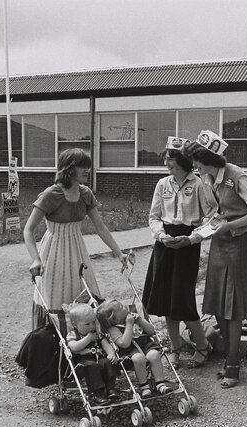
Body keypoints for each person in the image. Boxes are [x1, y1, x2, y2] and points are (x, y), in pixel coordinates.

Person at [183, 130, 247, 389]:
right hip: (221, 240)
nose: (194, 165)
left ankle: (233, 364)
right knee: (218, 301)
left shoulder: (236, 176)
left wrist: (230, 227)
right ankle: (230, 358)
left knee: (234, 305)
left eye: (197, 160)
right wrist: (200, 232)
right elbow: (215, 213)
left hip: (241, 242)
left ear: (209, 159)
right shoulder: (206, 179)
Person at [24, 148, 131, 333]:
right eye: (82, 166)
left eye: (87, 166)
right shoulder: (51, 194)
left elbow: (101, 227)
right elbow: (28, 229)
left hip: (77, 250)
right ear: (69, 169)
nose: (87, 170)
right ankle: (53, 345)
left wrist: (119, 252)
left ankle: (83, 343)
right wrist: (35, 258)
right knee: (55, 295)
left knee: (84, 291)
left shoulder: (86, 194)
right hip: (53, 252)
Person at [142, 136, 216, 370]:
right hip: (165, 243)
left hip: (187, 243)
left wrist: (193, 238)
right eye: (165, 159)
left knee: (182, 299)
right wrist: (161, 235)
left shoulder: (199, 184)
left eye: (171, 160)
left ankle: (203, 345)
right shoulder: (163, 184)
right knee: (165, 299)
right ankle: (175, 348)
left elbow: (211, 217)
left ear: (184, 162)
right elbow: (154, 216)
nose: (166, 163)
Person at [96, 299, 173, 398]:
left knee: (154, 355)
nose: (125, 307)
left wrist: (140, 321)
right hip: (130, 352)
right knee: (138, 358)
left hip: (146, 345)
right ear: (114, 318)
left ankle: (160, 384)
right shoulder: (113, 329)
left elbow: (151, 331)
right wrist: (129, 325)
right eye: (121, 308)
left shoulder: (135, 318)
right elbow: (124, 344)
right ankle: (144, 387)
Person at [64, 303, 120, 405]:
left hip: (99, 358)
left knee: (107, 362)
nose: (92, 326)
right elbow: (73, 347)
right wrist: (88, 338)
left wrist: (111, 354)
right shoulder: (73, 334)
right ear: (75, 325)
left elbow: (106, 345)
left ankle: (110, 389)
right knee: (92, 366)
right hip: (82, 361)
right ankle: (96, 393)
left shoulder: (97, 333)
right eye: (87, 324)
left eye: (94, 322)